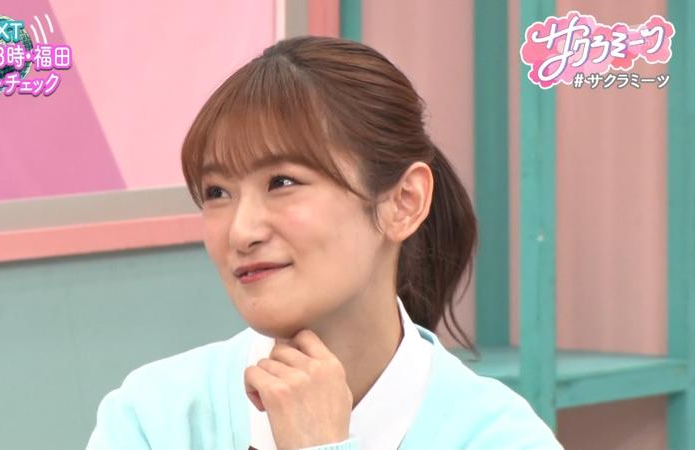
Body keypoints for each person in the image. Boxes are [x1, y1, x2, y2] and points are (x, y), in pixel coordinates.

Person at [86, 36, 564, 450]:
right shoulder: (155, 417)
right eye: (216, 193)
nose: (241, 231)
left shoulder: (500, 438)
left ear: (403, 202)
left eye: (283, 182)